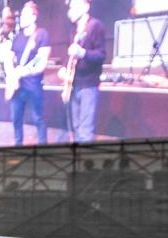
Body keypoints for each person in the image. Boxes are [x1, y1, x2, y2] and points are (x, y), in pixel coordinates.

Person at [8, 1, 50, 145]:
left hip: (33, 85)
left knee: (39, 119)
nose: (21, 18)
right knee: (16, 119)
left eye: (25, 15)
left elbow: (41, 64)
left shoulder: (42, 35)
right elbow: (10, 59)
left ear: (34, 17)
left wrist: (24, 72)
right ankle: (18, 145)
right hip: (16, 87)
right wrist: (11, 74)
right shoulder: (17, 37)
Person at [64, 0, 105, 143]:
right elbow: (72, 58)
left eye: (74, 6)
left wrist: (83, 53)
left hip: (89, 84)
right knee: (76, 126)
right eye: (70, 7)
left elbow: (101, 55)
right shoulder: (73, 31)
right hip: (75, 84)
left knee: (85, 130)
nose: (71, 10)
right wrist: (65, 69)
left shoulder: (95, 26)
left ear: (86, 7)